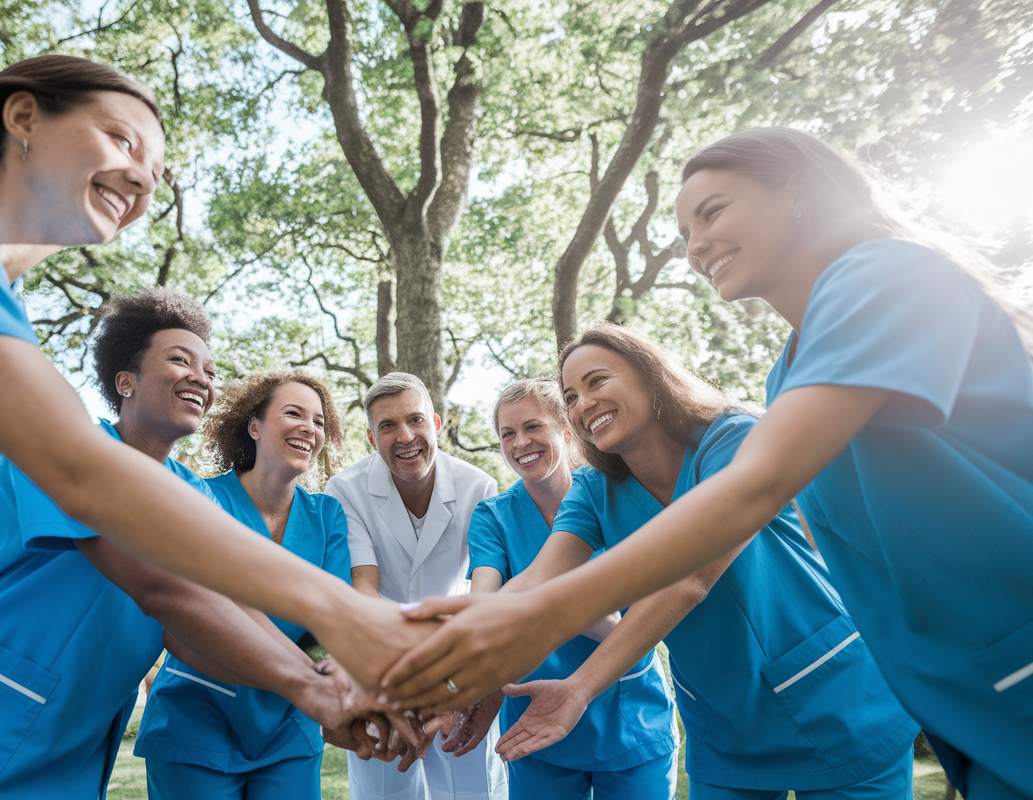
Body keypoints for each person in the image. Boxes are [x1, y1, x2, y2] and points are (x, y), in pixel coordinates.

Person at [0, 54, 425, 713]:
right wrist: (337, 609)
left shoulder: (7, 326)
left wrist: (314, 685)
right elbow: (87, 476)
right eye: (121, 139)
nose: (140, 178)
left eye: (155, 177)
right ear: (24, 115)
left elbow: (180, 586)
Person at [382, 128, 1033, 798]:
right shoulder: (787, 376)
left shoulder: (878, 279)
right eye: (570, 396)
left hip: (956, 665)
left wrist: (535, 634)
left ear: (800, 194)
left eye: (712, 213)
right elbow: (534, 581)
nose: (694, 247)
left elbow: (739, 511)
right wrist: (432, 655)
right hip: (939, 688)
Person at [0, 291, 367, 800]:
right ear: (126, 381)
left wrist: (333, 686)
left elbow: (217, 618)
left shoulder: (197, 495)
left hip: (68, 748)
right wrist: (316, 690)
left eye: (210, 370)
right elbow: (160, 586)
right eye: (180, 360)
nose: (201, 379)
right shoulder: (65, 445)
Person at [499, 328, 916, 798]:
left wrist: (580, 686)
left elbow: (689, 580)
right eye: (571, 397)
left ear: (650, 377)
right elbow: (536, 581)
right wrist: (444, 668)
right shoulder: (594, 491)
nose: (583, 404)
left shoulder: (733, 440)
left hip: (835, 699)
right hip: (722, 728)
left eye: (597, 381)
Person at [133, 369, 354, 800]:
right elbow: (186, 620)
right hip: (197, 712)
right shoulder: (200, 499)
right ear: (254, 426)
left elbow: (332, 621)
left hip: (290, 722)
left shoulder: (327, 516)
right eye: (294, 413)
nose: (310, 428)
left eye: (319, 421)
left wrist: (314, 680)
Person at [465, 378, 679, 800]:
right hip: (534, 722)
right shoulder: (492, 516)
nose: (520, 442)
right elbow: (482, 611)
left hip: (629, 715)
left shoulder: (613, 496)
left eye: (532, 427)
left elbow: (632, 630)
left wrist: (534, 601)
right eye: (507, 434)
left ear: (565, 429)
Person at [326, 373, 508, 800]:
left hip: (457, 661)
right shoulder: (345, 490)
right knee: (386, 785)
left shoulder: (477, 487)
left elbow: (486, 586)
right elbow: (363, 589)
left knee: (471, 788)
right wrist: (399, 678)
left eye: (416, 420)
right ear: (372, 439)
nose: (405, 436)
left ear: (437, 424)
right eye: (387, 426)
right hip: (379, 661)